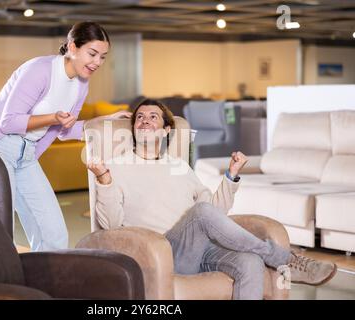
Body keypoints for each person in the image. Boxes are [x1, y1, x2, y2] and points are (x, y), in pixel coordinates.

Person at [87, 98, 337, 300]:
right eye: (139, 117)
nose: (144, 121)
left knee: (249, 261)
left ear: (165, 131)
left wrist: (231, 176)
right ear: (133, 129)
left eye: (153, 117)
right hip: (158, 252)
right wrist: (105, 180)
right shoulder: (114, 167)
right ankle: (285, 259)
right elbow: (109, 226)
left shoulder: (179, 167)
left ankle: (275, 258)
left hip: (198, 251)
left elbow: (214, 213)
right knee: (201, 213)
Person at [0, 21, 131, 252]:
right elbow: (9, 121)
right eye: (92, 53)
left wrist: (104, 122)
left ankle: (42, 285)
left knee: (53, 235)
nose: (97, 63)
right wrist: (53, 118)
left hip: (26, 155)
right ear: (72, 47)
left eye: (103, 57)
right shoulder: (40, 70)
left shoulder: (81, 84)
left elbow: (65, 130)